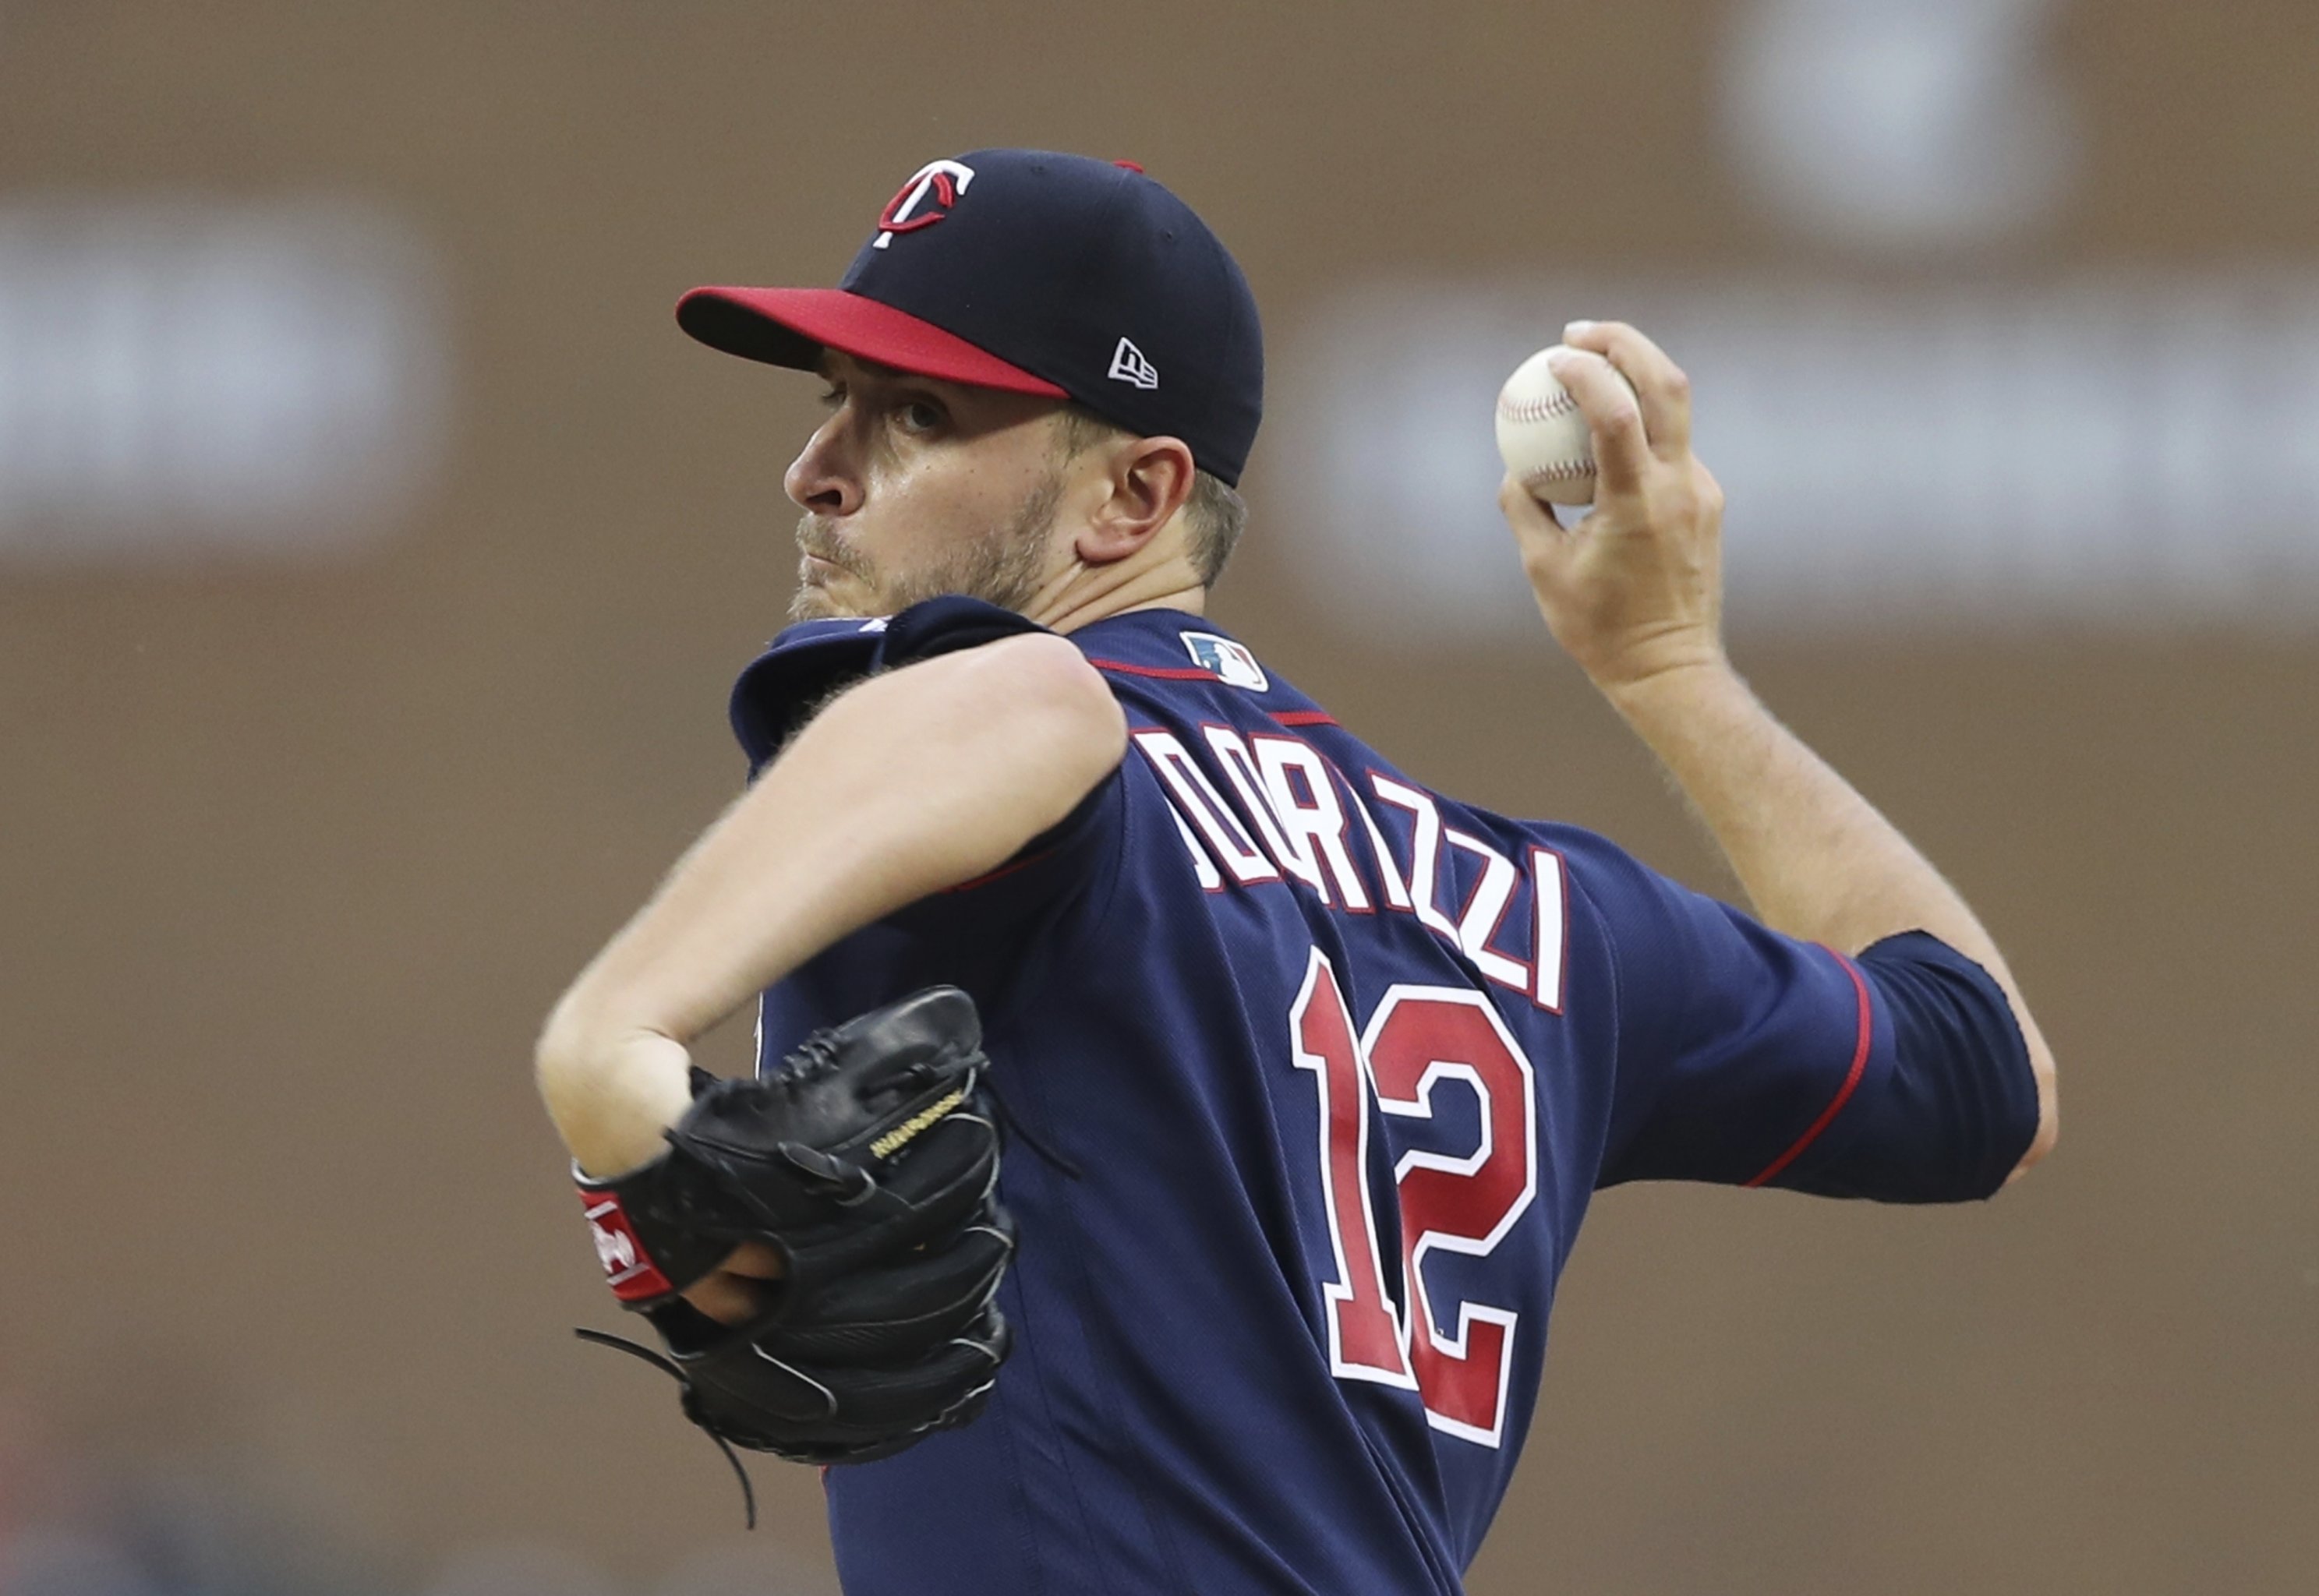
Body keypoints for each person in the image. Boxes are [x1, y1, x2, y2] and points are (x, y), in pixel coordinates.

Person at [535, 149, 2057, 1595]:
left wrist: (613, 1055)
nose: (818, 467)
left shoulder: (1013, 728)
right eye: (832, 399)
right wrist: (1673, 671)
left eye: (916, 414)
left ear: (1135, 498)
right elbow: (1982, 1063)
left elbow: (1033, 704)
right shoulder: (1549, 911)